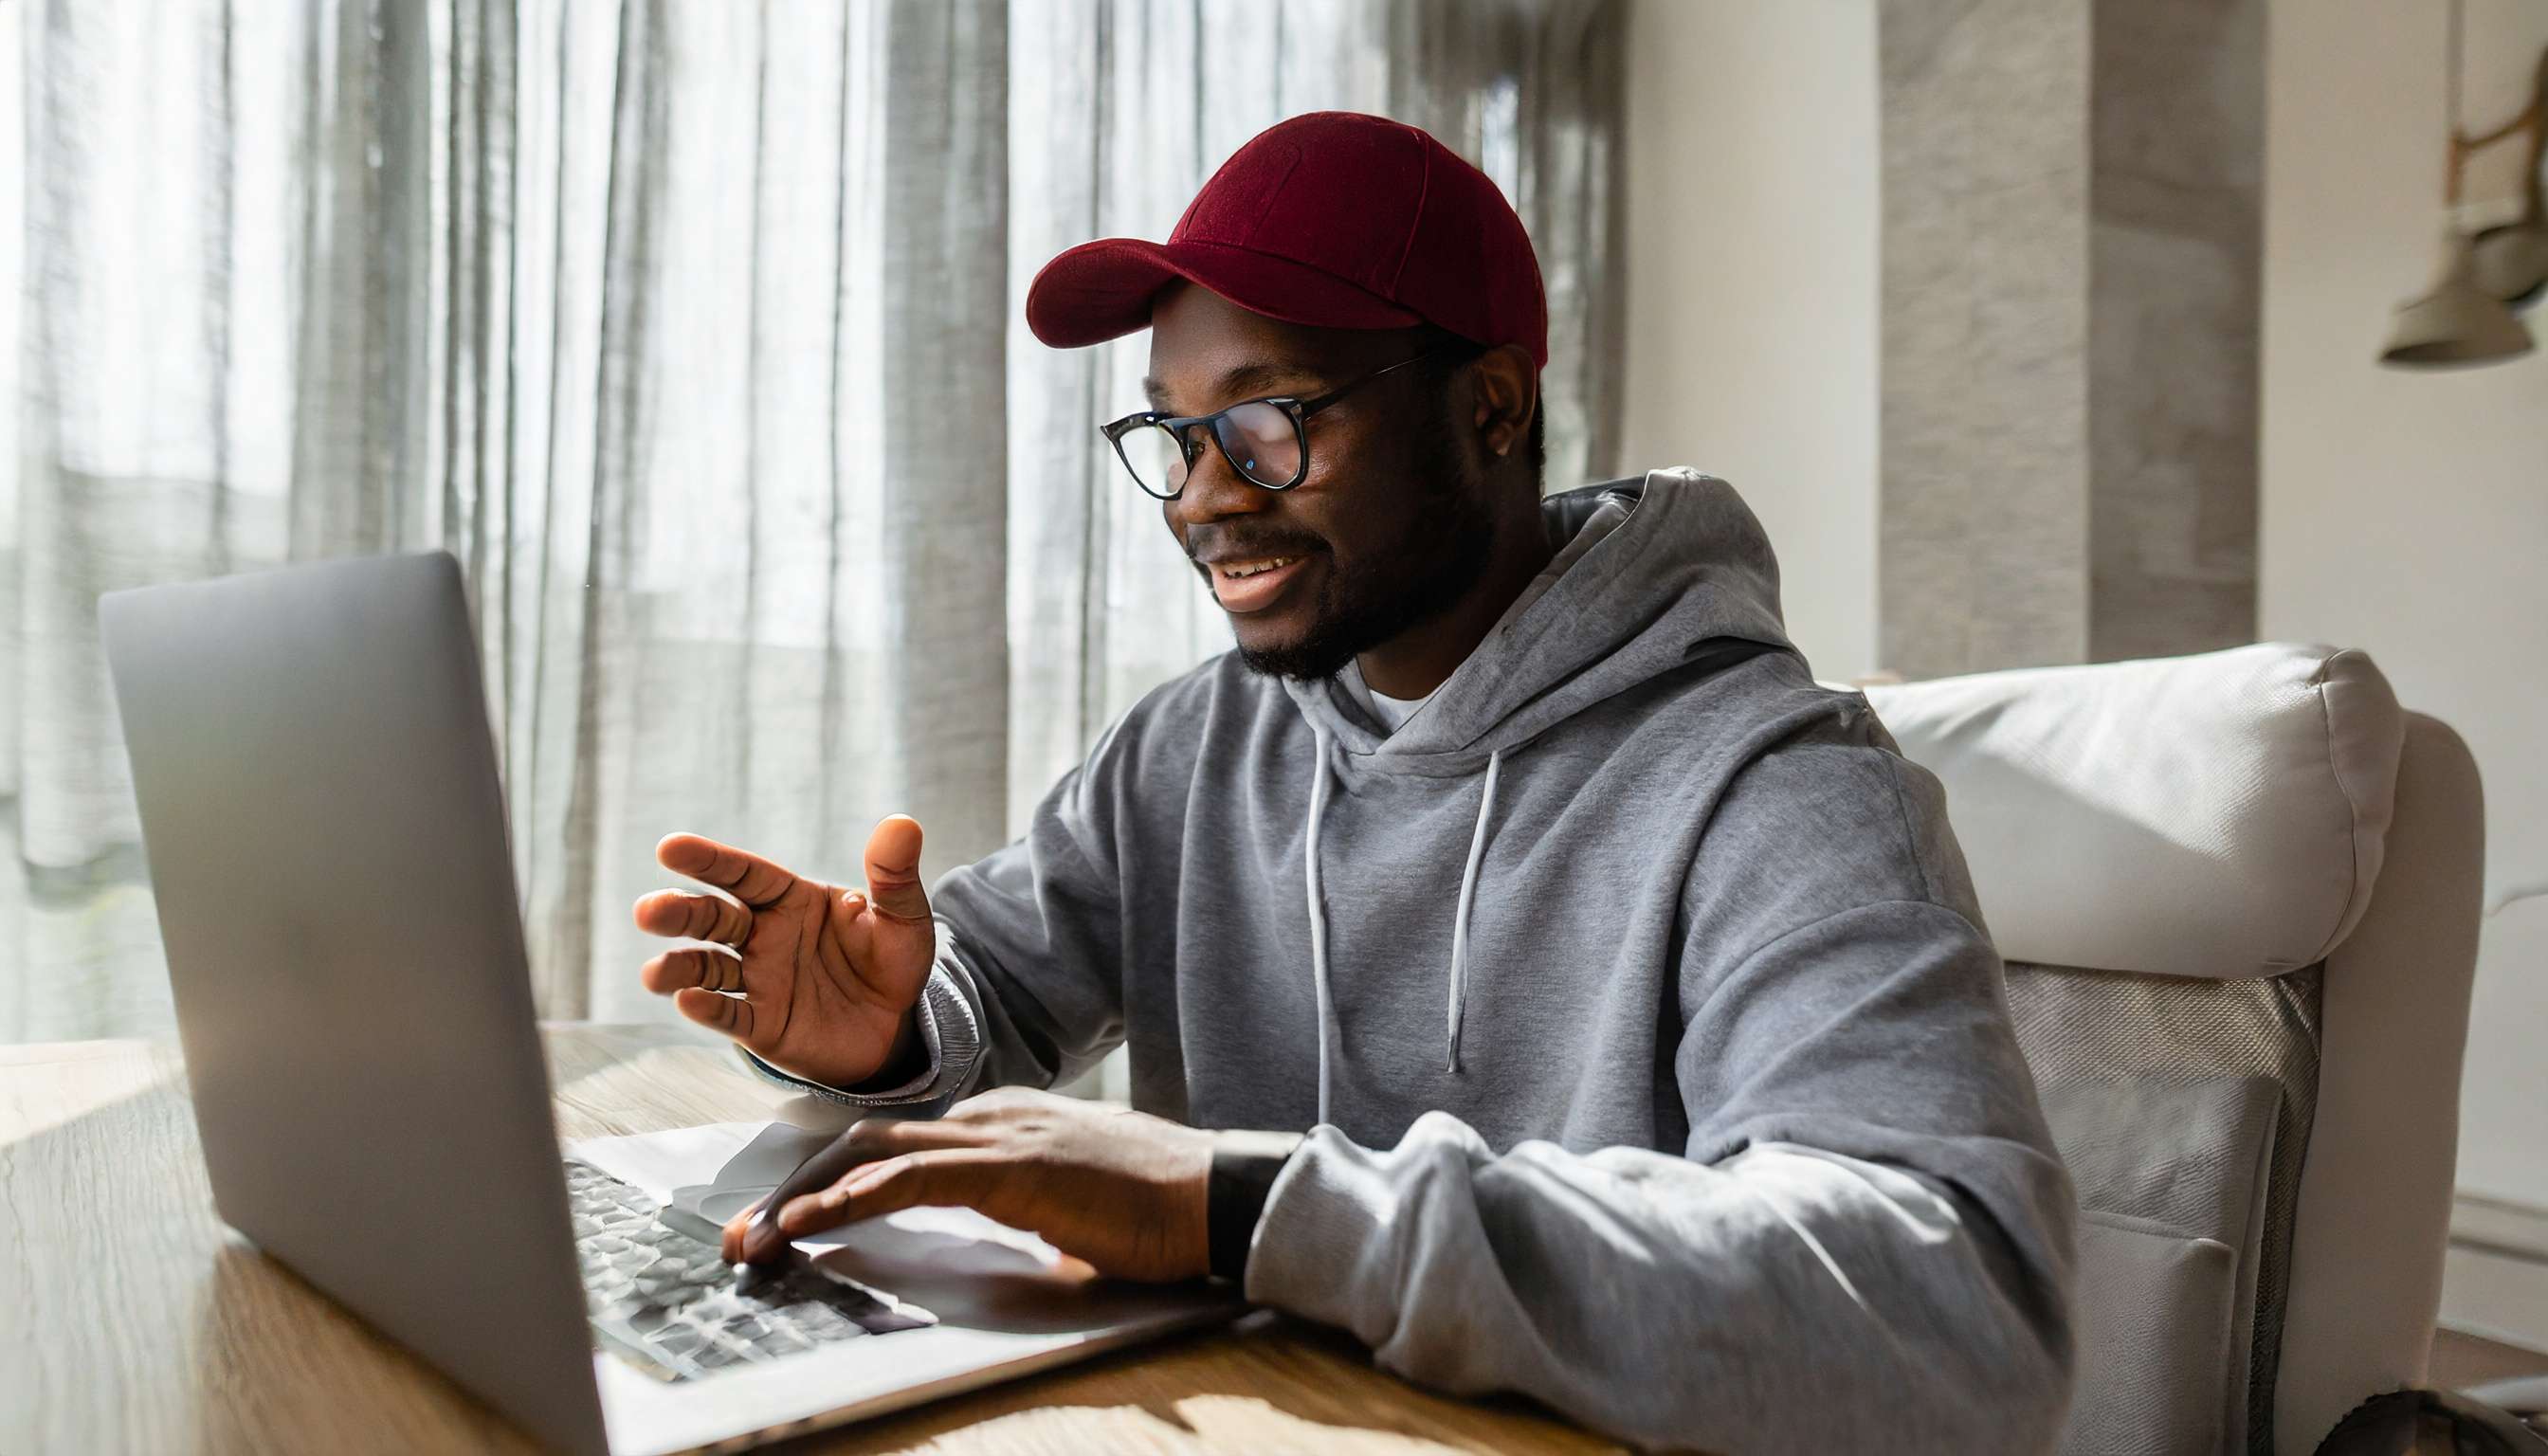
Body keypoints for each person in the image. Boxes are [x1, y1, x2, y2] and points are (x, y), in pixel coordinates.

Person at [633, 111, 2078, 1452]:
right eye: (1173, 434)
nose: (1204, 493)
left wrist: (1243, 1208)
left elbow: (1954, 1312)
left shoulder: (1778, 790)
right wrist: (884, 1032)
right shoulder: (1194, 743)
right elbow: (992, 994)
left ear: (1494, 406)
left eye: (1270, 421)